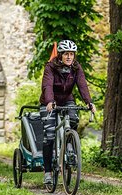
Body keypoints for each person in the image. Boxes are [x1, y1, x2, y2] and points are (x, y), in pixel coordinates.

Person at [39, 39, 97, 184]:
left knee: (73, 120)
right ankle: (47, 172)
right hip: (49, 102)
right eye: (66, 54)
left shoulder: (76, 67)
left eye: (71, 54)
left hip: (67, 99)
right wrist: (50, 101)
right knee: (50, 134)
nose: (69, 57)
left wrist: (89, 102)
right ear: (60, 55)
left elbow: (82, 85)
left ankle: (70, 147)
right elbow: (47, 85)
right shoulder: (50, 67)